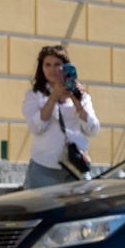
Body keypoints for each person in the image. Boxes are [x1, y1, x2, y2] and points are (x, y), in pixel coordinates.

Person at [23, 46, 100, 188]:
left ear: (66, 67)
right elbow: (36, 127)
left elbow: (93, 130)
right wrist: (53, 97)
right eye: (47, 65)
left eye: (57, 64)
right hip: (44, 167)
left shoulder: (81, 96)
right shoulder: (34, 95)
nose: (52, 69)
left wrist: (77, 102)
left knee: (77, 209)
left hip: (75, 167)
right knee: (43, 209)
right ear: (41, 68)